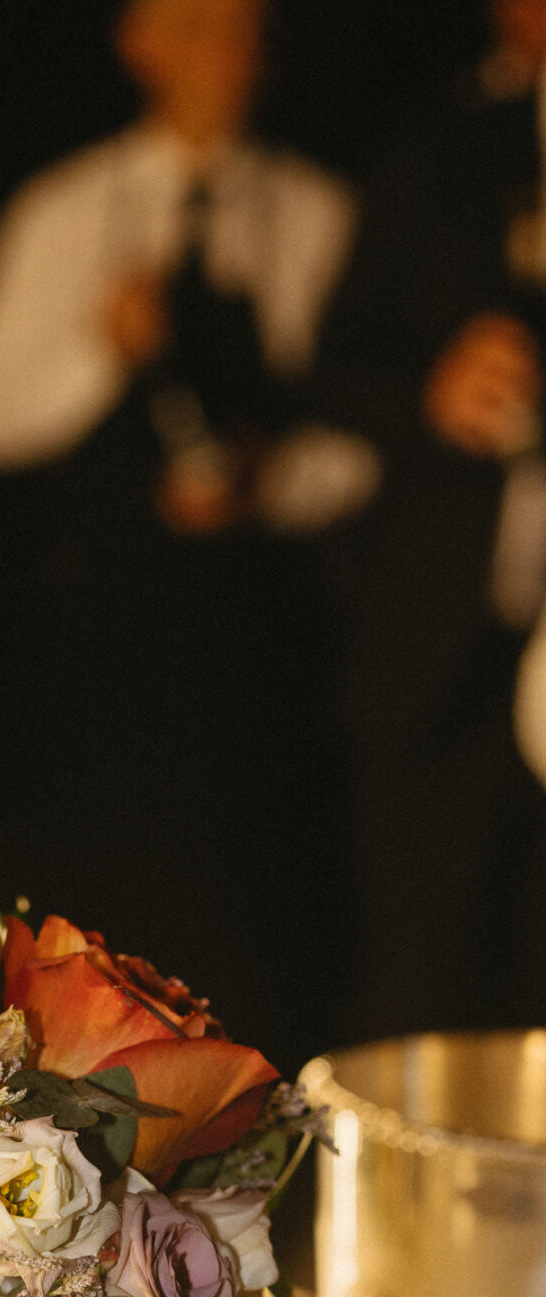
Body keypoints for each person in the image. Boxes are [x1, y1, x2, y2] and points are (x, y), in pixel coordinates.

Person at [0, 0, 364, 1071]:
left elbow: (369, 443)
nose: (223, 54)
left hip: (268, 627)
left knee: (270, 914)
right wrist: (104, 347)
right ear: (137, 41)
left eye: (242, 29)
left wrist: (274, 484)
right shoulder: (67, 207)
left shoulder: (317, 212)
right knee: (113, 914)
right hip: (111, 627)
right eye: (194, 26)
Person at [320, 0, 546, 1039]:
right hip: (441, 642)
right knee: (422, 995)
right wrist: (434, 388)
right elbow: (331, 362)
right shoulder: (441, 145)